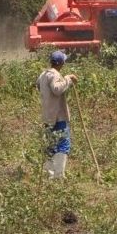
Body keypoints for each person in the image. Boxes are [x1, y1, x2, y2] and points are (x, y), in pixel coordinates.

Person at [36, 51, 78, 179]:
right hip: (58, 117)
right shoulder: (55, 75)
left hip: (47, 116)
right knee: (63, 144)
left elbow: (38, 85)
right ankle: (59, 175)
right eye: (64, 61)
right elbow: (57, 89)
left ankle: (50, 174)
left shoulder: (43, 74)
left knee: (49, 145)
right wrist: (68, 79)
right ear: (60, 63)